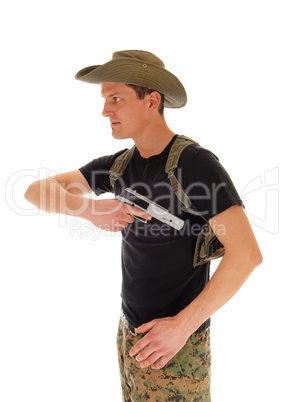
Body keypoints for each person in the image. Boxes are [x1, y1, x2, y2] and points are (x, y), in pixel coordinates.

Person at [25, 50, 262, 401]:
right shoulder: (120, 166)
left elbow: (246, 255)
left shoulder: (195, 165)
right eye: (105, 99)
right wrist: (90, 210)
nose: (105, 110)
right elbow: (35, 191)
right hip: (129, 333)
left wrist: (182, 326)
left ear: (152, 100)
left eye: (115, 98)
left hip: (176, 346)